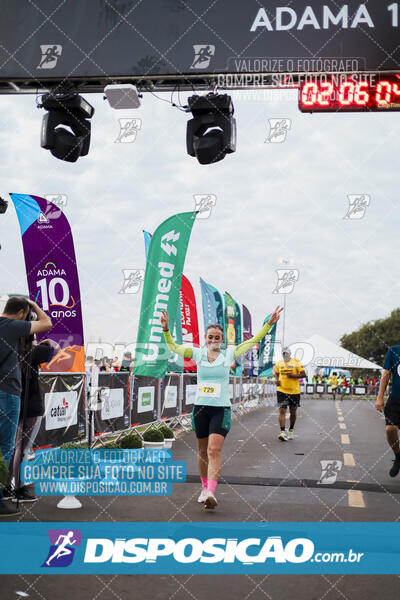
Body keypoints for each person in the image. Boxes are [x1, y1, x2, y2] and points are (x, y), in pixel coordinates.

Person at [161, 305, 283, 509]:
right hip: (200, 408)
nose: (213, 341)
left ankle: (211, 492)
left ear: (222, 340)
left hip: (221, 409)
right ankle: (203, 487)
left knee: (213, 449)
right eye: (210, 337)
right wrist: (165, 330)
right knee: (201, 451)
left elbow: (252, 341)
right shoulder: (198, 354)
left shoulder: (229, 354)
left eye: (217, 338)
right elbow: (173, 347)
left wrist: (268, 326)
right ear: (205, 338)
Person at [0, 297, 51, 516]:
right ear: (21, 313)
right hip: (7, 392)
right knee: (5, 446)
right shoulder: (10, 326)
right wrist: (35, 305)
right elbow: (47, 323)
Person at [4, 339, 57, 502]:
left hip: (13, 403)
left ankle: (7, 487)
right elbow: (56, 347)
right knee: (23, 449)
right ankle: (19, 488)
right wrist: (46, 341)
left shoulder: (8, 350)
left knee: (12, 448)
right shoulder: (33, 351)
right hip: (31, 407)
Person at [376, 346, 400, 477]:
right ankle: (398, 456)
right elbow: (386, 374)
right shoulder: (394, 351)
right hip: (395, 399)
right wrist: (380, 398)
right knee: (390, 429)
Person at [274, 347, 306, 441]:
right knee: (282, 410)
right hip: (282, 390)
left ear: (290, 354)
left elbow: (303, 374)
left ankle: (291, 430)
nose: (285, 355)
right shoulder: (279, 363)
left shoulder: (296, 362)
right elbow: (276, 373)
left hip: (294, 391)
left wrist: (293, 376)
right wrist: (277, 380)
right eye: (284, 354)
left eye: (287, 354)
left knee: (293, 412)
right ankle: (282, 432)